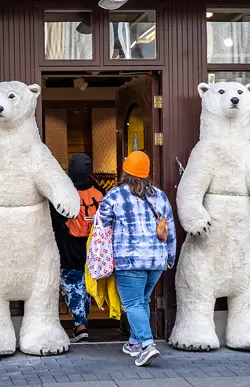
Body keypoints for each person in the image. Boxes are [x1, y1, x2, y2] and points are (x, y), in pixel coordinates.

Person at [98, 151, 176, 367]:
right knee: (142, 301)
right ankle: (134, 342)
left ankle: (147, 345)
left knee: (132, 303)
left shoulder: (115, 196)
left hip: (129, 260)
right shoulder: (160, 196)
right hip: (156, 260)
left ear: (126, 173)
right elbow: (170, 230)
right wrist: (170, 257)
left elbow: (101, 225)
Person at [50, 153, 105, 343]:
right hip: (91, 248)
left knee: (72, 286)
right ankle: (83, 324)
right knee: (87, 286)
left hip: (68, 247)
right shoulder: (99, 192)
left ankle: (80, 325)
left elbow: (54, 219)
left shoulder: (64, 192)